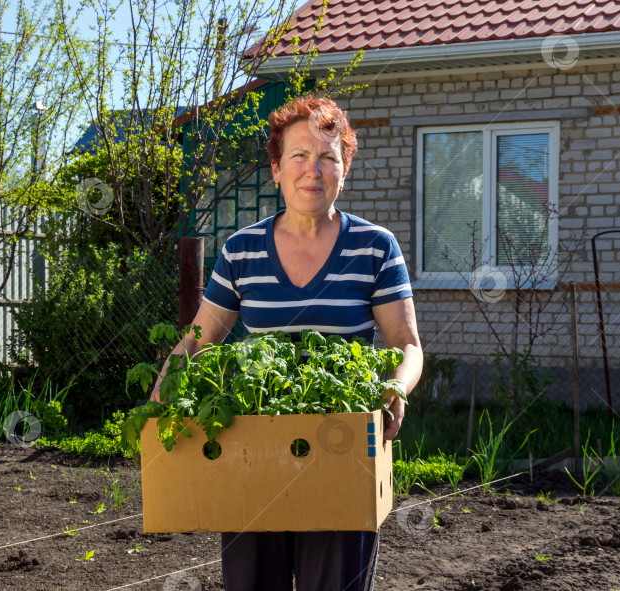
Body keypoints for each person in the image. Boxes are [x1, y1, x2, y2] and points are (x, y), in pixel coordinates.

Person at [151, 95, 423, 591]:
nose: (312, 171)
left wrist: (396, 389)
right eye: (299, 156)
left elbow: (406, 343)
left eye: (328, 157)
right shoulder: (241, 250)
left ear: (344, 169)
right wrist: (168, 381)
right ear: (276, 169)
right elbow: (201, 335)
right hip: (253, 451)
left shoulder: (375, 248)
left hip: (343, 451)